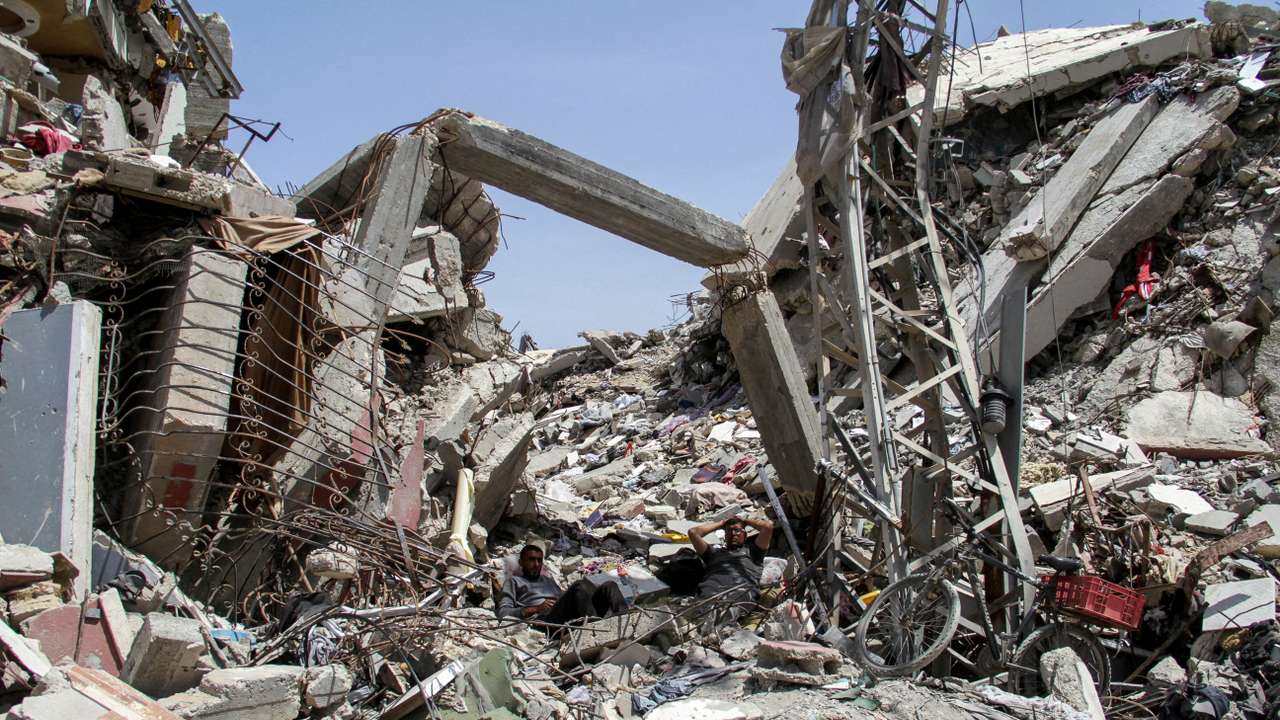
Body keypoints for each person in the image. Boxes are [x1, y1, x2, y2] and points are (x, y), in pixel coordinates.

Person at [496, 544, 626, 625]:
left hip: (565, 614)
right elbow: (503, 613)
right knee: (579, 586)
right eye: (531, 560)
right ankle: (594, 628)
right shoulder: (514, 582)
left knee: (609, 585)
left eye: (539, 560)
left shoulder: (548, 581)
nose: (536, 564)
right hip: (544, 620)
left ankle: (626, 620)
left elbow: (564, 599)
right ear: (521, 562)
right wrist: (536, 609)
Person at [687, 514, 774, 603]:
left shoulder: (753, 552)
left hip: (740, 592)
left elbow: (767, 527)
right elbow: (693, 533)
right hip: (711, 591)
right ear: (725, 536)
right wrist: (721, 523)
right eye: (729, 531)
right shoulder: (713, 553)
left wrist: (745, 520)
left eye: (736, 530)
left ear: (745, 535)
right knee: (703, 610)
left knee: (726, 610)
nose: (733, 534)